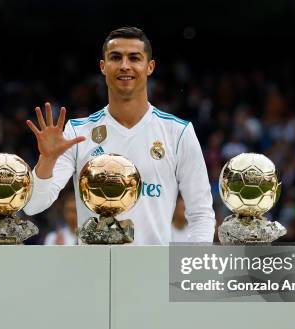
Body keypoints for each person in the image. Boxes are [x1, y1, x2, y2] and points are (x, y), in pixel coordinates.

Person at [24, 27, 215, 244]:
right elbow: (33, 205)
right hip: (92, 272)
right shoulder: (78, 132)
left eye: (134, 58)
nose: (125, 65)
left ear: (150, 66)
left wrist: (193, 269)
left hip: (154, 273)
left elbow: (200, 213)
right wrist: (46, 161)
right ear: (103, 66)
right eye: (116, 57)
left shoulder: (178, 132)